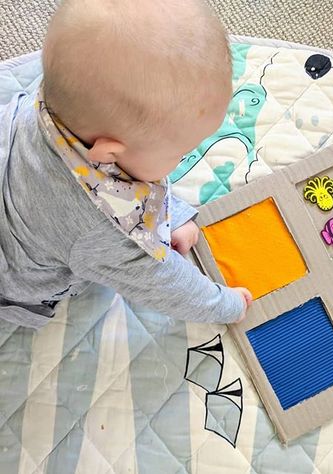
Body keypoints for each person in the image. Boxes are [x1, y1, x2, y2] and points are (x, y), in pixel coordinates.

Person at [0, 0, 252, 329]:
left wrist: (171, 212)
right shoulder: (103, 231)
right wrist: (226, 305)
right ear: (108, 153)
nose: (185, 158)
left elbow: (131, 175)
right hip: (16, 277)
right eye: (180, 152)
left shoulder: (64, 98)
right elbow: (163, 283)